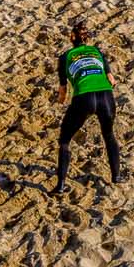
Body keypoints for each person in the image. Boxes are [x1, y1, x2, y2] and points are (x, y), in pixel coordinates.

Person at [52, 19, 122, 196]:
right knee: (109, 134)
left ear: (72, 38)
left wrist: (59, 103)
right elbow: (112, 80)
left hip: (84, 97)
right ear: (87, 38)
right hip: (106, 95)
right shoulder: (97, 51)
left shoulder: (65, 57)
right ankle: (117, 176)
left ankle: (60, 185)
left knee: (65, 140)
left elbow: (63, 93)